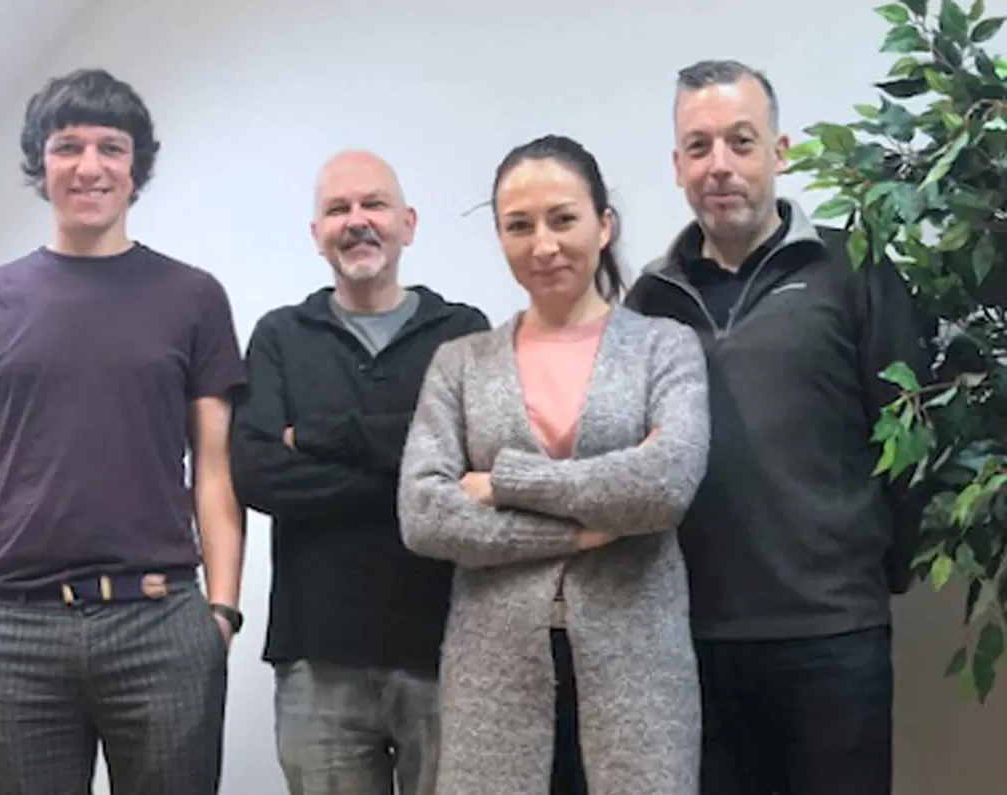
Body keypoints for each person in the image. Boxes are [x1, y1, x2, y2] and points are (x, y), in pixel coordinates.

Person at [0, 68, 246, 795]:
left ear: (137, 168)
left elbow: (216, 469)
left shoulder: (192, 297)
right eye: (68, 146)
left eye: (111, 147)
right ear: (41, 163)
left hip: (160, 620)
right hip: (12, 629)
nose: (89, 166)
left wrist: (219, 614)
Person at [624, 60, 933, 795]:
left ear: (779, 151)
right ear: (677, 166)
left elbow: (913, 430)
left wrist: (875, 572)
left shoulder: (849, 269)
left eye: (740, 141)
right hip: (694, 642)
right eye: (699, 147)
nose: (719, 165)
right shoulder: (649, 299)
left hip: (834, 638)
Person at [397, 134, 711, 795]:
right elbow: (425, 512)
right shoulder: (461, 362)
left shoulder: (664, 347)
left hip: (639, 666)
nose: (543, 244)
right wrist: (577, 534)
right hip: (493, 672)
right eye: (519, 225)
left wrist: (508, 481)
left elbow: (665, 483)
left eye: (563, 218)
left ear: (604, 224)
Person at [229, 149, 489, 795]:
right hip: (319, 659)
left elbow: (475, 456)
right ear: (316, 234)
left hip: (447, 650)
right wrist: (418, 472)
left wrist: (320, 439)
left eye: (373, 204)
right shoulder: (281, 336)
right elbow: (259, 472)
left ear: (409, 222)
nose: (356, 220)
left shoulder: (463, 333)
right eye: (337, 209)